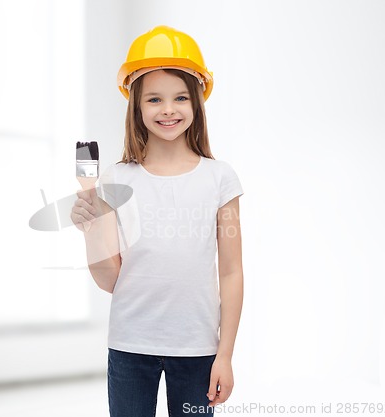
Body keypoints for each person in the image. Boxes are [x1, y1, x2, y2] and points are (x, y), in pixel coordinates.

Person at [71, 25, 244, 417]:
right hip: (131, 347)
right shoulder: (115, 179)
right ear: (136, 106)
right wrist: (91, 229)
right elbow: (110, 281)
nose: (168, 109)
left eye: (180, 97)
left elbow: (231, 272)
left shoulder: (220, 178)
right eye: (154, 99)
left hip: (199, 350)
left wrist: (225, 355)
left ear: (197, 101)